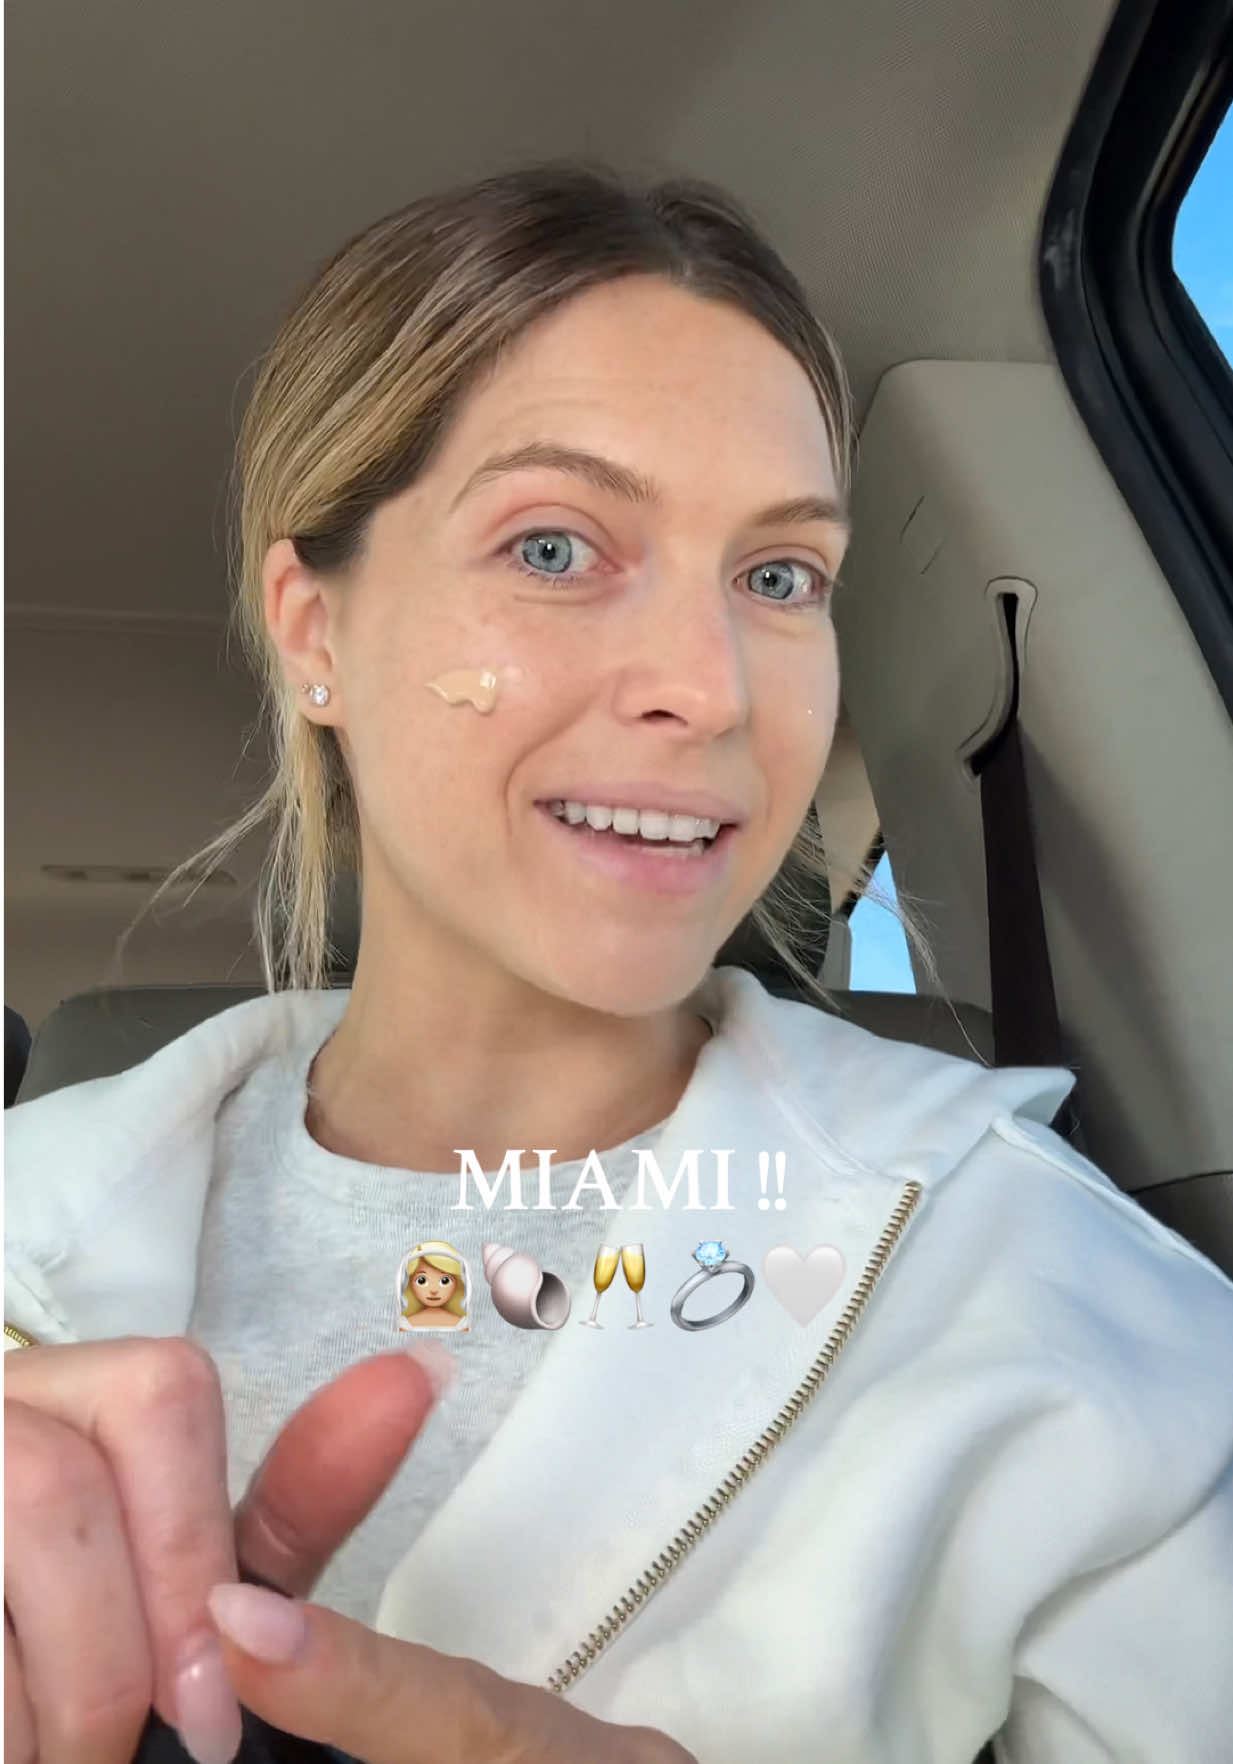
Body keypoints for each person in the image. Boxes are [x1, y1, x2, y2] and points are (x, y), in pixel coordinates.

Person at [5, 159, 1233, 1764]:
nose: (710, 687)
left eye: (779, 577)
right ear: (313, 630)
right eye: (554, 548)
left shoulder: (1065, 1305)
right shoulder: (26, 1217)